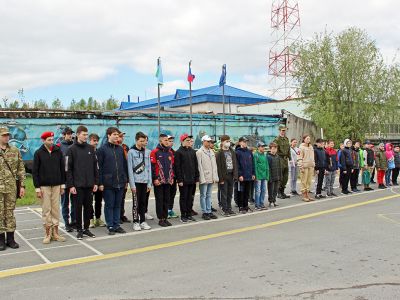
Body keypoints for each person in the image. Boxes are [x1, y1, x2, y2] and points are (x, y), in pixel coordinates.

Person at [32, 131, 66, 244]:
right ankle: (47, 233)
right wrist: (37, 188)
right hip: (44, 186)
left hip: (57, 185)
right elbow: (35, 171)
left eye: (52, 139)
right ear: (43, 140)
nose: (51, 142)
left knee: (56, 209)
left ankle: (56, 233)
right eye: (49, 140)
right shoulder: (38, 153)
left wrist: (62, 185)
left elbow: (62, 169)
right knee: (46, 210)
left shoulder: (58, 151)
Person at [66, 125, 98, 240]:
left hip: (89, 184)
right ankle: (79, 230)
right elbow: (67, 169)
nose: (85, 136)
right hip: (77, 186)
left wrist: (95, 182)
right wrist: (70, 185)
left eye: (86, 134)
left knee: (88, 207)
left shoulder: (90, 149)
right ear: (78, 134)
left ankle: (86, 228)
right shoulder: (71, 149)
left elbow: (95, 167)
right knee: (78, 208)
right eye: (84, 134)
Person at [97, 127, 128, 235]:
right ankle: (110, 225)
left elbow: (124, 165)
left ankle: (116, 225)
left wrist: (125, 180)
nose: (116, 136)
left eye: (117, 135)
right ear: (108, 135)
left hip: (120, 182)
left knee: (117, 204)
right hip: (108, 183)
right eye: (114, 134)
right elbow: (99, 167)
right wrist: (100, 183)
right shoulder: (102, 150)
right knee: (109, 204)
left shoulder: (120, 149)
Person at [0, 127, 26, 251]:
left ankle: (10, 239)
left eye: (7, 135)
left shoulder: (15, 150)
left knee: (10, 212)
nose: (7, 137)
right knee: (0, 213)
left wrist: (22, 186)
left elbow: (21, 168)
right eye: (4, 135)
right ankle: (1, 240)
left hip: (11, 187)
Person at [127, 131, 152, 231]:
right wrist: (132, 185)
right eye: (141, 141)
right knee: (136, 203)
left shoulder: (147, 152)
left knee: (143, 202)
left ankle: (142, 221)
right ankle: (136, 221)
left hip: (145, 181)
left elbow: (149, 168)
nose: (142, 143)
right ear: (136, 140)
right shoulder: (131, 152)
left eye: (144, 141)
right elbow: (129, 168)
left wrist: (149, 183)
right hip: (136, 182)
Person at [151, 134, 175, 227]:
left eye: (168, 140)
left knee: (166, 200)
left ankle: (165, 217)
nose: (167, 142)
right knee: (160, 200)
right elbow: (153, 167)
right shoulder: (155, 152)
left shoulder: (170, 153)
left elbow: (171, 167)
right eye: (165, 140)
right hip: (159, 181)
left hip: (168, 181)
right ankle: (160, 219)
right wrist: (155, 178)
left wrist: (172, 177)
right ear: (160, 141)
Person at [175, 133, 199, 223]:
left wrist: (196, 177)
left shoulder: (193, 152)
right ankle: (183, 215)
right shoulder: (178, 152)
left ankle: (189, 214)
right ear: (182, 141)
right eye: (187, 140)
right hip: (184, 180)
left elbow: (195, 166)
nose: (189, 142)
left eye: (189, 140)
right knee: (184, 198)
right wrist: (180, 179)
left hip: (192, 179)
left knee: (190, 197)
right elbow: (177, 167)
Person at [197, 135, 219, 220]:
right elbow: (199, 166)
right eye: (207, 141)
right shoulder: (199, 152)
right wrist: (202, 178)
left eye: (210, 141)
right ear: (203, 141)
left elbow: (214, 166)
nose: (209, 143)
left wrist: (215, 176)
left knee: (209, 195)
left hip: (211, 176)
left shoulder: (211, 151)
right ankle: (204, 212)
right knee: (203, 195)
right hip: (204, 177)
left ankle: (209, 211)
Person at [58, 126, 76, 232]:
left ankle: (74, 221)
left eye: (71, 133)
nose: (70, 135)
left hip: (74, 179)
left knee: (75, 202)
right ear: (64, 135)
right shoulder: (59, 147)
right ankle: (66, 222)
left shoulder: (75, 145)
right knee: (65, 202)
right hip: (64, 179)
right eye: (68, 134)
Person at [216, 135, 238, 216]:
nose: (228, 143)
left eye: (229, 141)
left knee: (230, 193)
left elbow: (235, 164)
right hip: (224, 176)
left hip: (231, 175)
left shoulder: (232, 152)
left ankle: (229, 208)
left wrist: (235, 175)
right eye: (226, 141)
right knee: (224, 194)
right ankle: (224, 209)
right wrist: (220, 179)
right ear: (222, 142)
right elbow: (218, 167)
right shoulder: (219, 153)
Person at [88, 133, 106, 228]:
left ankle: (98, 218)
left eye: (97, 141)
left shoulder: (99, 153)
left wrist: (100, 182)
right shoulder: (87, 152)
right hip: (89, 182)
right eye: (94, 140)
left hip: (98, 181)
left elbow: (101, 168)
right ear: (89, 141)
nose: (96, 142)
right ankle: (90, 219)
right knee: (89, 201)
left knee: (98, 201)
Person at [235, 136, 255, 213]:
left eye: (246, 142)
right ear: (240, 142)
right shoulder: (237, 152)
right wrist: (240, 175)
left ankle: (245, 206)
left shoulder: (249, 152)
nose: (245, 143)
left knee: (247, 192)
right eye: (244, 141)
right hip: (242, 176)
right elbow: (237, 165)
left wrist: (253, 173)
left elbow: (252, 164)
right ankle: (241, 207)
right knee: (241, 192)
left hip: (249, 176)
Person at [273, 124, 291, 199]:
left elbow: (288, 149)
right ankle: (278, 192)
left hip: (285, 159)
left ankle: (282, 191)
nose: (283, 132)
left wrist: (290, 158)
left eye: (284, 130)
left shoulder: (286, 139)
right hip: (280, 159)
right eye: (282, 130)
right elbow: (275, 150)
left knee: (286, 176)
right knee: (280, 176)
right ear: (279, 130)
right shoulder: (276, 140)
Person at [297, 135, 315, 202]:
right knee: (304, 181)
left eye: (309, 138)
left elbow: (313, 157)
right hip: (304, 166)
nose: (308, 140)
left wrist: (313, 164)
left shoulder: (311, 147)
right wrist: (301, 166)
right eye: (307, 138)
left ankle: (308, 195)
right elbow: (299, 158)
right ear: (304, 139)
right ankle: (304, 195)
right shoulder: (301, 147)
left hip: (310, 166)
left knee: (309, 181)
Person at [118, 132, 130, 224]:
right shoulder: (113, 147)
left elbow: (127, 164)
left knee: (122, 197)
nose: (121, 138)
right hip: (116, 177)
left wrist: (127, 179)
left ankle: (121, 215)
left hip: (124, 176)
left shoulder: (125, 147)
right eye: (120, 136)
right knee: (117, 198)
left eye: (122, 137)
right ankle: (117, 216)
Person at [253, 141, 269, 210]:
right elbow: (255, 166)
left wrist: (267, 175)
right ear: (258, 147)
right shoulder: (255, 155)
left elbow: (267, 166)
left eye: (263, 146)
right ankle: (257, 204)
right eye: (262, 146)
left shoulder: (264, 155)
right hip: (258, 176)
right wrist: (256, 176)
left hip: (264, 175)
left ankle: (261, 203)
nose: (263, 148)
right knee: (258, 191)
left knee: (264, 190)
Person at [167, 135, 179, 219]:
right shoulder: (162, 152)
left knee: (172, 194)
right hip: (166, 178)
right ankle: (165, 211)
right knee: (166, 195)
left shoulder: (174, 152)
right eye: (169, 141)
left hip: (173, 177)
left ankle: (170, 210)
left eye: (172, 141)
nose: (171, 143)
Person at [267, 142, 281, 206]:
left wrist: (280, 176)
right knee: (271, 190)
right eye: (273, 148)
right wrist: (269, 177)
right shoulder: (268, 157)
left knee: (275, 189)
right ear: (270, 149)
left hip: (277, 176)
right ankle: (270, 201)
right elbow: (268, 168)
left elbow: (279, 166)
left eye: (275, 148)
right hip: (271, 177)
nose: (274, 150)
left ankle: (274, 200)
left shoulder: (277, 156)